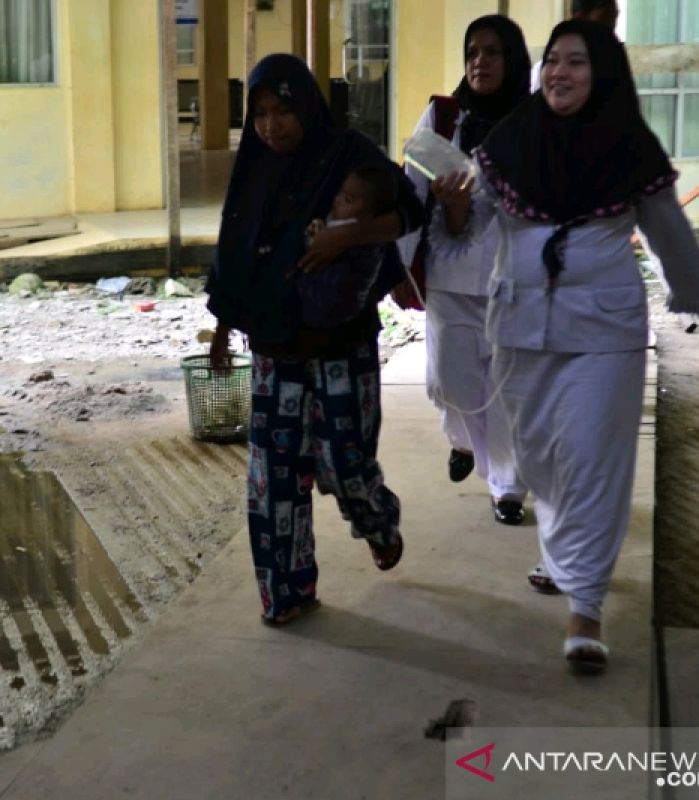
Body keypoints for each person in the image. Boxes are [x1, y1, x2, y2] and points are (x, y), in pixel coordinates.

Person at [432, 21, 699, 672]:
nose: (560, 73)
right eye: (554, 61)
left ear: (605, 75)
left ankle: (584, 608)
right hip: (521, 328)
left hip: (604, 328)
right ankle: (564, 555)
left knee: (594, 457)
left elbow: (669, 229)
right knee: (539, 458)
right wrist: (453, 211)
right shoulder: (509, 141)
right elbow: (470, 230)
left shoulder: (629, 148)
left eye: (577, 62)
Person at [206, 54, 424, 626]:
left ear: (307, 105)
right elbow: (236, 251)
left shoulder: (347, 154)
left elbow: (409, 211)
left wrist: (343, 235)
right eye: (260, 114)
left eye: (283, 110)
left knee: (343, 466)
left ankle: (377, 520)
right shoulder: (253, 168)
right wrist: (225, 326)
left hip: (341, 346)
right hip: (275, 347)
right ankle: (287, 593)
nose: (272, 126)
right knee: (273, 480)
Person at [401, 15, 532, 526]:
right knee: (451, 382)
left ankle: (507, 487)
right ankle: (461, 441)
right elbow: (410, 190)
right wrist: (397, 268)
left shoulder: (536, 122)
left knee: (504, 390)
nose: (480, 61)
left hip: (512, 281)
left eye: (493, 52)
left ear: (513, 59)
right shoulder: (442, 116)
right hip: (450, 275)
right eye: (473, 52)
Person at [295, 162, 401, 329]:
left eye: (347, 199)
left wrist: (310, 237)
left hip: (328, 306)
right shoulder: (343, 222)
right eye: (340, 194)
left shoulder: (358, 241)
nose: (336, 201)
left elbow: (316, 252)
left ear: (369, 215)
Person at [530, 0, 619, 92]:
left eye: (615, 17)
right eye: (552, 60)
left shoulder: (612, 67)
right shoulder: (541, 74)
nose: (558, 73)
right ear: (580, 17)